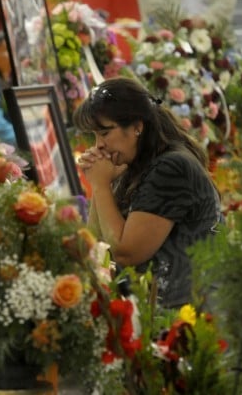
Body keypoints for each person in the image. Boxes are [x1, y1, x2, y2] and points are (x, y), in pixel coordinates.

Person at [74, 77, 222, 308]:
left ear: (137, 127)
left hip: (187, 321)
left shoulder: (171, 167)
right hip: (156, 310)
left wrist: (102, 186)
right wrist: (103, 185)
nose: (98, 145)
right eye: (94, 135)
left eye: (104, 133)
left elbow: (126, 253)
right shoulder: (136, 161)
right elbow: (97, 242)